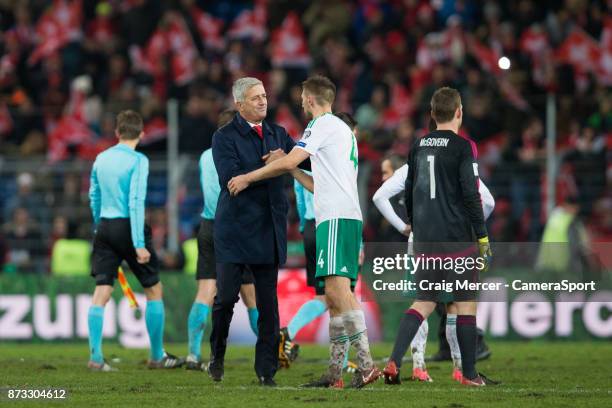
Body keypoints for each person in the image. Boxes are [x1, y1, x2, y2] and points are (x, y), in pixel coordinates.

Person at [228, 76, 381, 389]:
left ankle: (366, 365)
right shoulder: (341, 131)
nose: (299, 102)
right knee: (334, 298)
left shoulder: (321, 124)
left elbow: (290, 162)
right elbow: (314, 182)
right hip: (339, 217)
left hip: (337, 219)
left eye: (302, 98)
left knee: (339, 292)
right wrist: (290, 166)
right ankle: (334, 373)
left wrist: (248, 177)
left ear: (311, 99)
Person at [382, 87, 495, 387]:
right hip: (456, 238)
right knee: (466, 302)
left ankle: (394, 360)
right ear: (459, 112)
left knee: (424, 301)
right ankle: (469, 374)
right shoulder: (463, 147)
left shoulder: (418, 146)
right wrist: (482, 237)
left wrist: (415, 225)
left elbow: (408, 192)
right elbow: (472, 195)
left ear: (432, 114)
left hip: (425, 238)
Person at [210, 77, 308, 386]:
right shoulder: (223, 137)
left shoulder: (279, 133)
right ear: (239, 105)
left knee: (269, 305)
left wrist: (286, 163)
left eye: (264, 96)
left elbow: (305, 163)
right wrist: (275, 166)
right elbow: (231, 178)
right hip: (235, 230)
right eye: (255, 98)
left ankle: (266, 371)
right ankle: (217, 354)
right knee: (225, 299)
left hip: (268, 228)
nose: (263, 101)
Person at [87, 110, 183, 371]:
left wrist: (99, 226)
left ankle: (95, 357)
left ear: (117, 133)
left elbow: (93, 195)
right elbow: (136, 201)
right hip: (129, 226)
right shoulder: (139, 160)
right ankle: (156, 356)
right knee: (153, 290)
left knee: (102, 292)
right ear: (141, 134)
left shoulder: (101, 158)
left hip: (105, 226)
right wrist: (138, 242)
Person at [278, 112, 363, 374]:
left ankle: (287, 332)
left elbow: (300, 199)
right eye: (354, 133)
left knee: (325, 295)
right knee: (344, 294)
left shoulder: (309, 155)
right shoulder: (338, 159)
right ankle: (352, 357)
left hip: (312, 228)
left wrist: (306, 229)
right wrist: (357, 244)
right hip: (333, 225)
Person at [185, 109, 259, 371]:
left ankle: (193, 355)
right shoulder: (240, 156)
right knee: (250, 295)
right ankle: (269, 349)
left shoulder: (206, 156)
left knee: (205, 292)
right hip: (235, 227)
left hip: (208, 226)